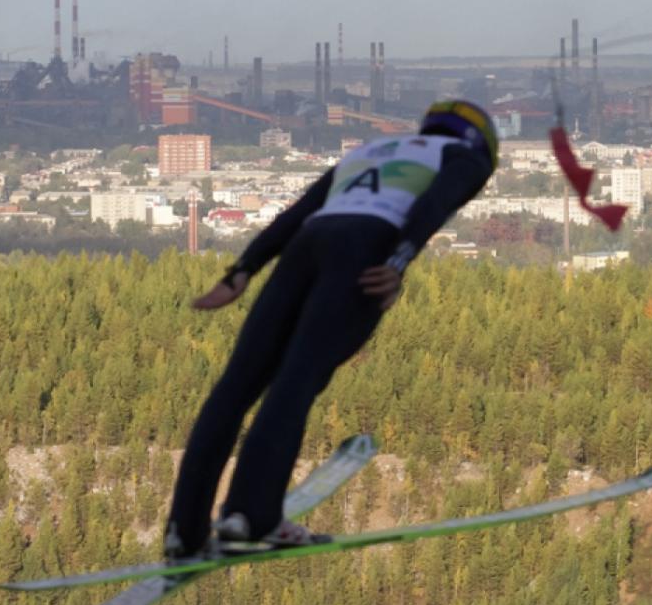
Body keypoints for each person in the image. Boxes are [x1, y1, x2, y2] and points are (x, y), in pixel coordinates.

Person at [164, 99, 498, 558]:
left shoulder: (370, 151)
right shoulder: (464, 157)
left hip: (304, 248)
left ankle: (183, 530)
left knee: (236, 386)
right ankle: (250, 516)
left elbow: (299, 211)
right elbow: (434, 204)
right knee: (296, 380)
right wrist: (398, 260)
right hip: (364, 252)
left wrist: (243, 270)